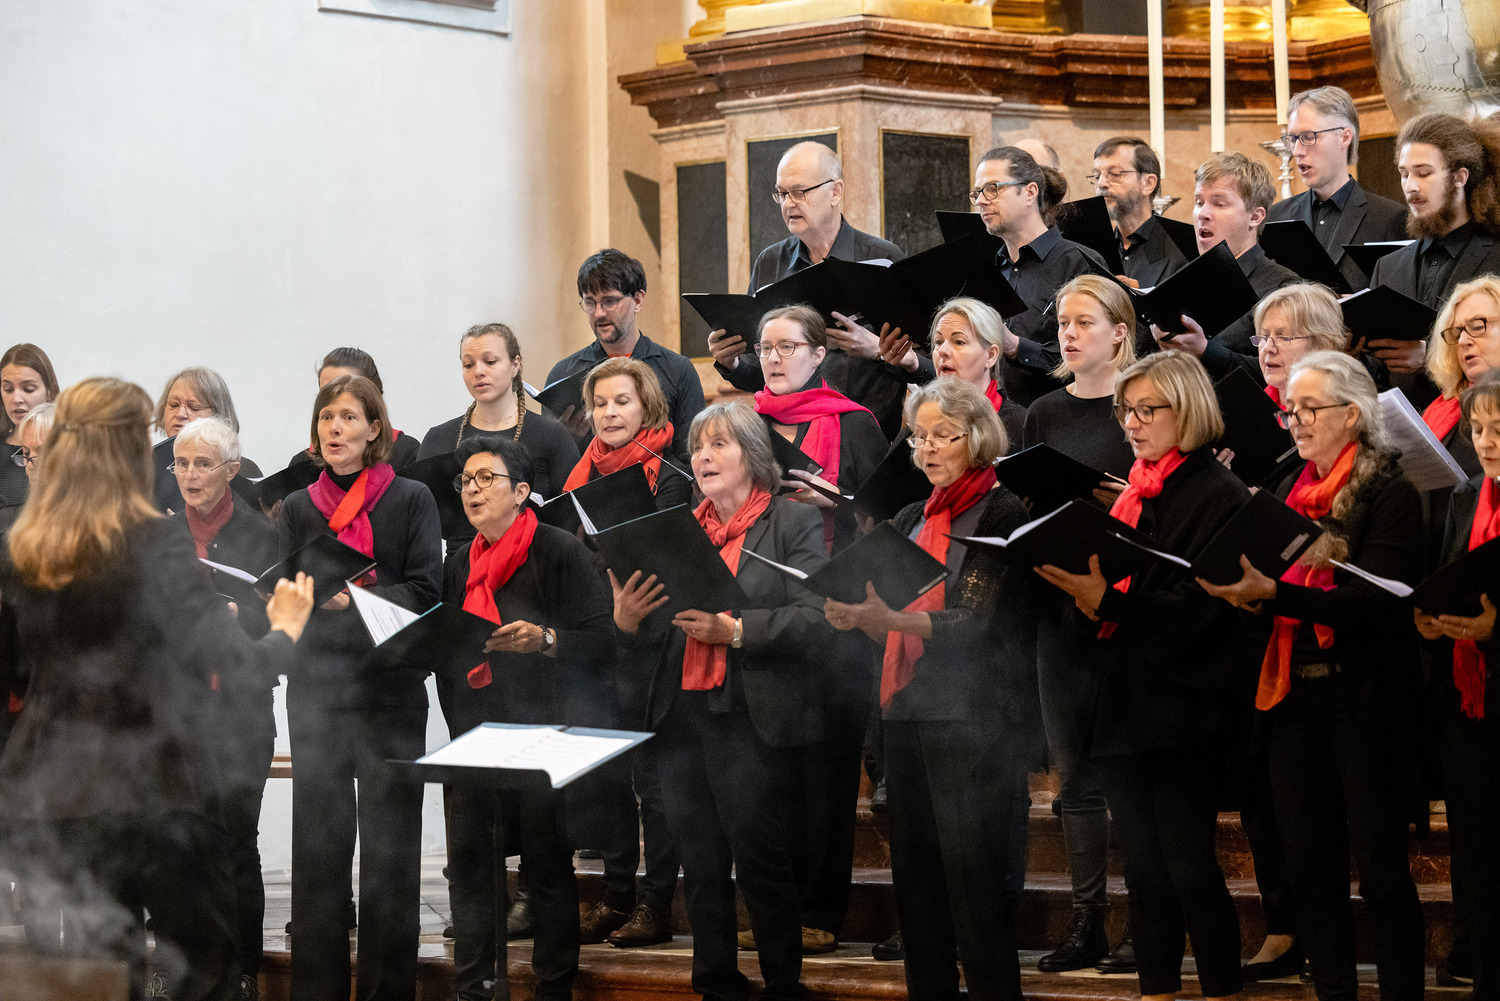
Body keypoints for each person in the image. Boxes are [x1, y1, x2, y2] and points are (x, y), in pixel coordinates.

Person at [0, 377, 313, 1001]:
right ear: (126, 449)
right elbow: (231, 661)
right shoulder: (153, 541)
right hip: (153, 792)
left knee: (96, 978)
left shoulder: (24, 548)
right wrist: (284, 629)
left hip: (57, 798)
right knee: (204, 973)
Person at [1199, 351, 1426, 1001]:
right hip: (1292, 697)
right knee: (1311, 870)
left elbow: (1378, 602)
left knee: (1381, 869)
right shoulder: (1288, 494)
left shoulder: (1389, 490)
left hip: (1364, 698)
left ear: (1351, 414)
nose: (1293, 419)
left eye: (1308, 409)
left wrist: (1275, 593)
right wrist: (1244, 593)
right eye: (1289, 409)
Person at [1035, 350, 1249, 1001]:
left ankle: (1221, 989)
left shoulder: (1217, 492)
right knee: (1143, 870)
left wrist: (1110, 602)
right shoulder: (1132, 492)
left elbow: (1206, 607)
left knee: (1188, 864)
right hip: (1122, 701)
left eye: (1147, 409)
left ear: (1188, 410)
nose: (1132, 423)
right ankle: (1156, 988)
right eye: (1126, 410)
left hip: (1184, 706)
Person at [824, 377, 1040, 1001]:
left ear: (978, 437)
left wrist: (891, 620)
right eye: (920, 437)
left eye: (943, 435)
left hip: (976, 716)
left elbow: (978, 621)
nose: (928, 448)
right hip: (908, 710)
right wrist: (859, 618)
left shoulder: (1004, 510)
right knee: (915, 878)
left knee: (973, 878)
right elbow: (889, 618)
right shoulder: (911, 517)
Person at [611, 401, 830, 1001]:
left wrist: (734, 631)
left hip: (747, 712)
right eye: (697, 448)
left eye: (718, 445)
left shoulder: (790, 522)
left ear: (752, 456)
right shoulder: (679, 528)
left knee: (760, 857)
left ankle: (783, 985)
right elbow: (653, 630)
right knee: (700, 861)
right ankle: (716, 984)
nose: (703, 457)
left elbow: (817, 617)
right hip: (680, 713)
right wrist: (626, 620)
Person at [280, 374, 443, 1001]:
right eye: (327, 417)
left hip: (390, 692)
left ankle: (387, 990)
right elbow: (284, 595)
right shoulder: (298, 508)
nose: (335, 428)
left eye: (348, 417)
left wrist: (356, 600)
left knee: (390, 854)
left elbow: (426, 593)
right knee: (317, 853)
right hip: (318, 694)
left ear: (375, 428)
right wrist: (297, 599)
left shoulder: (410, 499)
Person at [442, 435, 616, 1001]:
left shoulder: (557, 550)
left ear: (521, 491)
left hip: (546, 729)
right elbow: (449, 653)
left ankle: (553, 989)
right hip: (478, 734)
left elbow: (603, 642)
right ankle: (474, 988)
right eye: (466, 481)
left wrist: (545, 640)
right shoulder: (458, 563)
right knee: (471, 868)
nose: (472, 490)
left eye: (485, 478)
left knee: (545, 867)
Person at [1022, 274, 1138, 974]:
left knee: (1131, 776)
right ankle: (1088, 917)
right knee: (1074, 779)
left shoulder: (1141, 404)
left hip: (1125, 610)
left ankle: (1145, 918)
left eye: (1084, 321)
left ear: (1120, 331)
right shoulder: (1044, 411)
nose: (1068, 333)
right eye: (1063, 322)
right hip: (1057, 607)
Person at [559, 357, 685, 949]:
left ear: (647, 407)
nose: (609, 413)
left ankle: (655, 904)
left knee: (654, 783)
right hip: (599, 637)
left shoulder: (671, 473)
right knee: (609, 777)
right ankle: (615, 896)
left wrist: (621, 598)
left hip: (655, 639)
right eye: (600, 403)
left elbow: (669, 557)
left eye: (622, 401)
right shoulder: (580, 475)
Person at [169, 416, 281, 1000]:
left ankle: (242, 970)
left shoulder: (262, 537)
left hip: (239, 708)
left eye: (203, 464)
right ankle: (182, 968)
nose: (190, 475)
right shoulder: (161, 535)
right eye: (182, 464)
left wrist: (241, 616)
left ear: (232, 471)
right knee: (177, 843)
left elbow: (284, 617)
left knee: (236, 839)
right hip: (177, 710)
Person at [708, 141, 909, 438]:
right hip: (788, 436)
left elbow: (921, 363)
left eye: (799, 192)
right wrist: (733, 363)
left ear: (835, 191)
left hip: (865, 437)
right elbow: (759, 375)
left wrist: (877, 350)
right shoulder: (771, 262)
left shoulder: (881, 257)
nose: (788, 204)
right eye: (782, 193)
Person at [1416, 367, 1500, 1001]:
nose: (1487, 441)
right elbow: (1450, 570)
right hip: (1469, 702)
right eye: (1479, 428)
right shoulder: (1468, 493)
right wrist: (1430, 618)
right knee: (1476, 849)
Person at [1368, 112, 1500, 399]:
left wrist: (1429, 356)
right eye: (1404, 174)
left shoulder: (1496, 256)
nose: (1410, 186)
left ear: (1460, 177)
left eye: (1423, 173)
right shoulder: (1387, 267)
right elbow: (1377, 376)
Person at [971, 145, 1111, 406]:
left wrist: (1016, 347)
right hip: (991, 418)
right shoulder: (990, 269)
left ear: (1030, 192)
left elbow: (1098, 359)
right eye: (977, 192)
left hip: (1058, 417)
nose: (981, 200)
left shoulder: (1078, 262)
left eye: (992, 188)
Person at [1151, 153, 1302, 381]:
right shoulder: (1183, 278)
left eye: (1219, 204)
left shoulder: (1284, 288)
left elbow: (1290, 373)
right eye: (1199, 202)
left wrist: (1206, 351)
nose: (1203, 214)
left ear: (1255, 216)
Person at [752, 305, 888, 554]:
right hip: (761, 561)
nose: (773, 358)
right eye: (765, 348)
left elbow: (888, 513)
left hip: (841, 563)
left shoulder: (855, 423)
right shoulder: (749, 425)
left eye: (786, 347)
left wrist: (835, 497)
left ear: (817, 355)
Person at [419, 322, 580, 525]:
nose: (478, 371)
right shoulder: (439, 438)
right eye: (468, 365)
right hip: (462, 547)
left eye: (490, 362)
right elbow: (423, 518)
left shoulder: (551, 435)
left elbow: (571, 517)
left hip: (533, 544)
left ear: (515, 365)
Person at [546, 249, 706, 447]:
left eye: (609, 301)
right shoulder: (562, 374)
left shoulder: (678, 371)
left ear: (637, 300)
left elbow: (692, 453)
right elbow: (548, 459)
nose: (599, 313)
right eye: (590, 302)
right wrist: (565, 440)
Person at [1265, 86, 1409, 291]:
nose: (1297, 151)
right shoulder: (1276, 217)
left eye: (1308, 137)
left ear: (1344, 137)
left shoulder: (1390, 219)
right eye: (1293, 139)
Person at [877, 296, 1028, 447]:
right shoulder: (920, 424)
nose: (942, 351)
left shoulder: (1023, 427)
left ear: (991, 355)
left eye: (959, 342)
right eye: (938, 342)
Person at [151, 367, 264, 514]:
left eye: (194, 407)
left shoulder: (241, 469)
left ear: (218, 415)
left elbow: (254, 525)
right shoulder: (143, 466)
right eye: (173, 405)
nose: (180, 414)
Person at [288, 348, 421, 471]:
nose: (334, 400)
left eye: (347, 388)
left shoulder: (405, 452)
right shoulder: (302, 464)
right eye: (326, 392)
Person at [1092, 137, 1190, 293]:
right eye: (1097, 176)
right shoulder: (1093, 250)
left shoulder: (1182, 250)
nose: (1101, 184)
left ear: (1148, 183)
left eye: (1115, 174)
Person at [0, 344, 59, 511]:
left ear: (50, 391)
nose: (16, 399)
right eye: (8, 389)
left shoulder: (71, 447)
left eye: (28, 389)